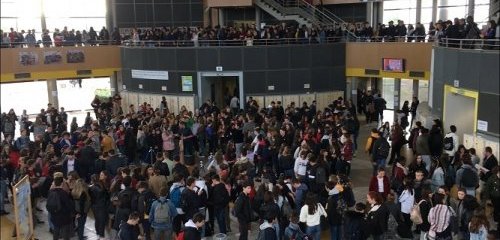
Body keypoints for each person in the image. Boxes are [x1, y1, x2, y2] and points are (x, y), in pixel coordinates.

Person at [46, 175, 75, 240]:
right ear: (62, 183)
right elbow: (68, 205)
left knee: (56, 231)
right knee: (65, 233)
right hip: (64, 217)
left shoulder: (50, 192)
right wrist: (73, 213)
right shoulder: (63, 193)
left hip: (54, 215)